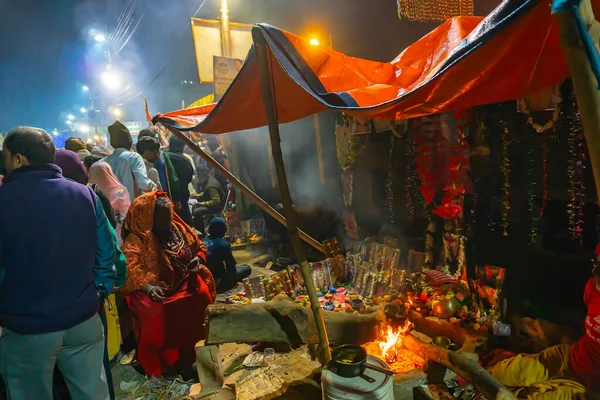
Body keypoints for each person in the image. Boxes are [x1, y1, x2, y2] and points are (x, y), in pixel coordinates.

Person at [0, 126, 115, 399]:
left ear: (18, 159)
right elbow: (106, 251)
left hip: (27, 327)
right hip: (83, 319)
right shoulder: (84, 194)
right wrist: (100, 289)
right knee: (92, 393)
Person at [121, 192, 216, 378]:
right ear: (150, 218)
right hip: (158, 288)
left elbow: (200, 247)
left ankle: (194, 354)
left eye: (170, 217)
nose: (168, 223)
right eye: (163, 219)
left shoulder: (177, 227)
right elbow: (128, 268)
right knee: (156, 313)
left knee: (202, 296)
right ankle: (167, 364)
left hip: (185, 281)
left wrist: (198, 259)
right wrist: (148, 287)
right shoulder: (138, 238)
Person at [491, 266, 600, 397]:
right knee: (497, 374)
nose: (595, 271)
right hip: (568, 356)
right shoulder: (594, 287)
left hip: (587, 386)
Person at [103, 120, 156, 201]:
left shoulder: (102, 162)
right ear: (129, 141)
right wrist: (156, 188)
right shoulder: (134, 157)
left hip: (112, 209)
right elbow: (144, 185)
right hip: (131, 207)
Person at [203, 217, 251, 293]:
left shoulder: (203, 240)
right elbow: (231, 267)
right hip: (215, 282)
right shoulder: (223, 244)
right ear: (223, 230)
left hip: (202, 280)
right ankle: (223, 287)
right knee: (247, 268)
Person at [89, 161, 131, 245]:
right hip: (119, 235)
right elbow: (125, 216)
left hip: (96, 236)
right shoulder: (121, 191)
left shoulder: (89, 192)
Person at [166, 136, 194, 225]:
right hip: (182, 198)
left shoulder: (164, 158)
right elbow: (189, 178)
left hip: (165, 198)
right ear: (183, 146)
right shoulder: (185, 160)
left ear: (169, 146)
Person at [192, 169, 225, 234]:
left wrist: (202, 204)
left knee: (196, 212)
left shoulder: (211, 186)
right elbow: (205, 193)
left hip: (217, 207)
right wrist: (197, 195)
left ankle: (201, 232)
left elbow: (216, 201)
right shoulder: (209, 180)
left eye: (199, 175)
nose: (198, 177)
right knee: (194, 207)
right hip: (213, 204)